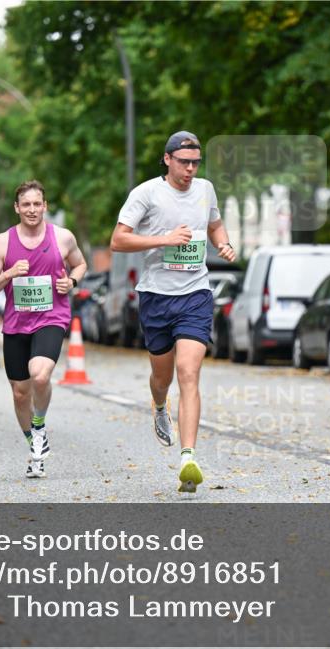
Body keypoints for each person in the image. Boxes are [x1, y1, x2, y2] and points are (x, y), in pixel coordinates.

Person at [109, 131, 236, 493]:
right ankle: (160, 404)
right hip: (156, 296)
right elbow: (118, 240)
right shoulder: (146, 193)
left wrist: (224, 243)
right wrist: (164, 238)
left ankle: (188, 458)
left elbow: (214, 224)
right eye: (184, 162)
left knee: (188, 372)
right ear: (167, 160)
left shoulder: (206, 189)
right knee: (161, 377)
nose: (190, 169)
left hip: (195, 294)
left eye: (195, 162)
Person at [0, 180, 87, 479]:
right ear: (16, 208)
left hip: (52, 317)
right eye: (26, 204)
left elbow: (80, 264)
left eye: (37, 204)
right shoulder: (3, 242)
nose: (32, 209)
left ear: (45, 206)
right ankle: (35, 445)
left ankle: (38, 424)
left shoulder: (62, 237)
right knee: (19, 393)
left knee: (39, 374)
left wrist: (72, 282)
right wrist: (9, 273)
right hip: (16, 323)